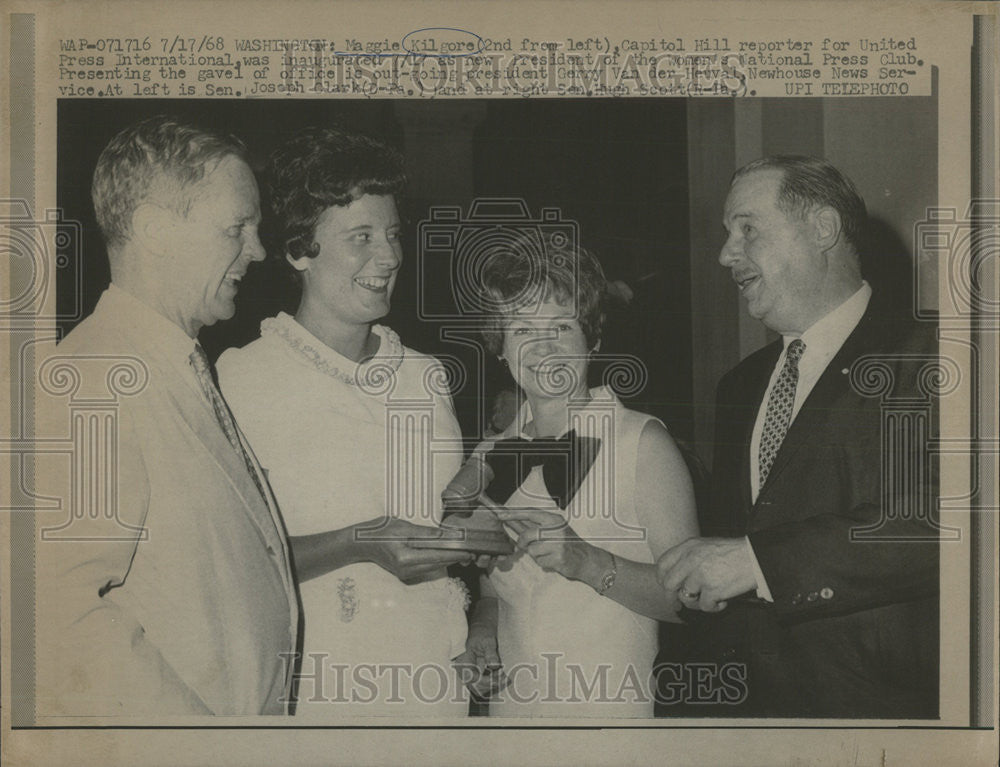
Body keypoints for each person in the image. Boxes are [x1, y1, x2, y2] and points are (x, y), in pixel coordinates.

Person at [656, 155, 939, 718]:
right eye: (726, 234)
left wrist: (759, 564)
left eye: (747, 228)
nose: (725, 254)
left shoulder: (934, 351)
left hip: (883, 713)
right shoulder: (739, 386)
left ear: (823, 228)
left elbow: (953, 521)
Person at [35, 116, 299, 717]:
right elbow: (53, 615)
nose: (257, 251)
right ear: (154, 230)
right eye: (237, 227)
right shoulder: (88, 380)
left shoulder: (175, 363)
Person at [216, 128, 474, 718]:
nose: (388, 257)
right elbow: (227, 559)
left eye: (392, 234)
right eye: (361, 237)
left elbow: (449, 523)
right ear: (299, 250)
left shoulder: (425, 375)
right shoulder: (243, 379)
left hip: (434, 684)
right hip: (322, 689)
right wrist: (360, 543)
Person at [460, 233, 698, 717]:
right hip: (514, 724)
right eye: (522, 329)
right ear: (500, 348)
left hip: (610, 725)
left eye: (562, 325)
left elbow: (690, 599)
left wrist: (587, 561)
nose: (544, 346)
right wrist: (484, 629)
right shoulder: (489, 454)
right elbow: (494, 585)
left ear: (592, 337)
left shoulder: (643, 444)